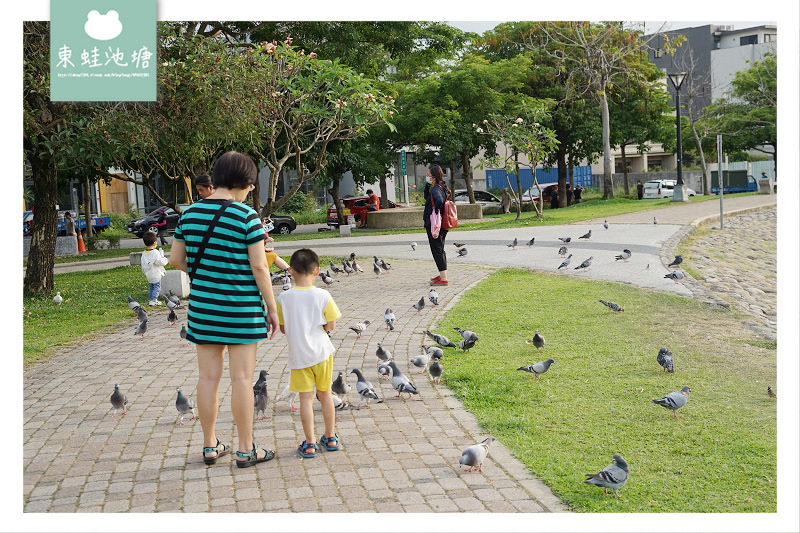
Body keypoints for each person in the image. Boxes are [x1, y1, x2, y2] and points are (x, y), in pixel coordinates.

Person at [169, 151, 280, 468]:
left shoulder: (189, 216)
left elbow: (176, 260)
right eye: (251, 186)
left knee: (207, 379)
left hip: (204, 309)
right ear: (244, 183)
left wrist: (209, 272)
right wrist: (271, 308)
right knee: (243, 379)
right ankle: (246, 450)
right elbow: (260, 267)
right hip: (241, 308)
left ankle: (209, 445)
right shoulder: (246, 217)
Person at [276, 248, 342, 458]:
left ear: (291, 271)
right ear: (317, 271)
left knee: (306, 399)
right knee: (325, 395)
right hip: (322, 353)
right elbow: (331, 325)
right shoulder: (323, 294)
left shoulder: (284, 298)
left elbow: (284, 328)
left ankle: (310, 443)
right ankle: (330, 437)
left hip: (299, 356)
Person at [424, 164, 450, 286]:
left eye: (428, 174)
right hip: (442, 224)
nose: (427, 176)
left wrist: (435, 213)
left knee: (437, 250)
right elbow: (427, 198)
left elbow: (439, 201)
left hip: (435, 225)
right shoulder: (442, 186)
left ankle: (443, 278)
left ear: (433, 176)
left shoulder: (436, 189)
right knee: (440, 248)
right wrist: (427, 185)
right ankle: (442, 274)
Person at [141, 231, 169, 306]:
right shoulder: (155, 252)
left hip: (148, 273)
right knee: (157, 287)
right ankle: (153, 300)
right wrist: (164, 259)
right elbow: (159, 262)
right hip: (155, 273)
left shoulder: (144, 253)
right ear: (154, 242)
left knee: (151, 286)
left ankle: (151, 298)